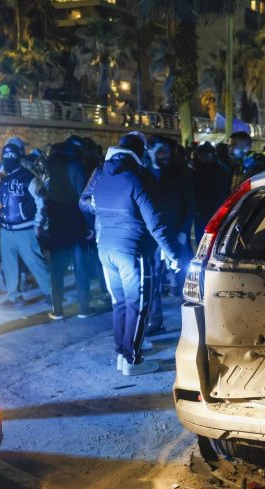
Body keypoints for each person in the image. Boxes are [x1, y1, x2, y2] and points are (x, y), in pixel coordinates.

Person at [80, 133, 179, 376]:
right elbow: (155, 223)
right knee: (138, 304)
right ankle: (133, 361)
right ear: (138, 154)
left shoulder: (102, 177)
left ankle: (122, 354)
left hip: (105, 250)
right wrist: (172, 254)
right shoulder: (135, 180)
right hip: (132, 251)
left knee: (120, 303)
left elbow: (87, 203)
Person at [0, 142, 52, 308]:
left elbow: (42, 202)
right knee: (9, 266)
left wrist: (38, 225)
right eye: (5, 156)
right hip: (6, 230)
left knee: (36, 263)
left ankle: (52, 293)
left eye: (11, 156)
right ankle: (14, 297)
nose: (8, 160)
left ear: (18, 158)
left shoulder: (29, 178)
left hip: (26, 229)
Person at [145, 135, 195, 335]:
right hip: (153, 235)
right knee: (153, 278)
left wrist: (183, 231)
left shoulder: (180, 172)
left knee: (186, 277)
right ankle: (155, 321)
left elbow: (190, 204)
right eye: (160, 150)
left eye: (166, 150)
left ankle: (192, 319)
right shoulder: (144, 172)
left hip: (176, 233)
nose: (165, 155)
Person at [41, 139, 93, 320]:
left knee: (56, 269)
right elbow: (83, 198)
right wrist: (90, 224)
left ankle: (57, 310)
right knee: (80, 268)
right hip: (75, 222)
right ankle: (84, 309)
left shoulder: (49, 167)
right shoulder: (76, 166)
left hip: (56, 222)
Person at [192, 142, 232, 241]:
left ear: (211, 154)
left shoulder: (219, 169)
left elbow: (221, 191)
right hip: (203, 209)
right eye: (199, 155)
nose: (200, 157)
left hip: (212, 209)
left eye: (202, 155)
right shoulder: (201, 167)